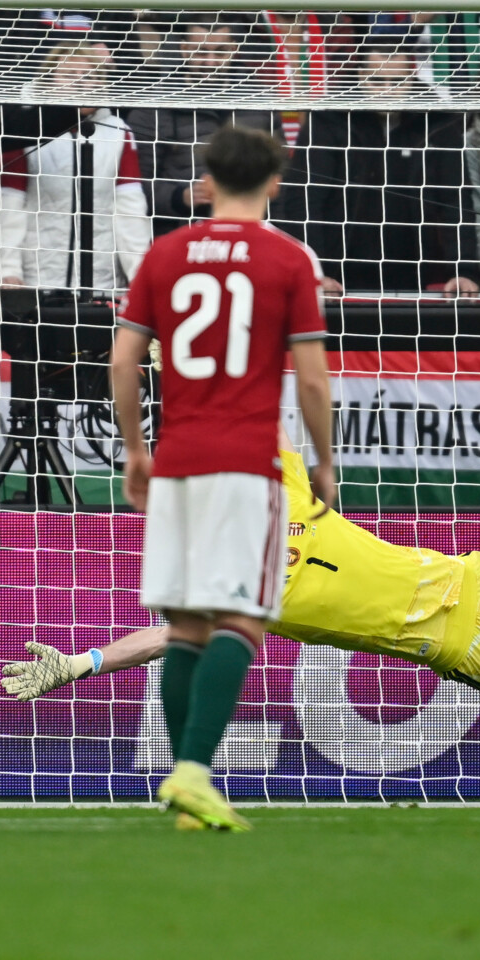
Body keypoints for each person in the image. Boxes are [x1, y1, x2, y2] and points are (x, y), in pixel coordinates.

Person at [1, 437, 480, 742]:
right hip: (450, 639)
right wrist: (79, 663)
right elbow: (167, 637)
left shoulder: (284, 486)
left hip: (465, 577)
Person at [103, 123, 328, 833]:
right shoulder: (288, 258)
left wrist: (137, 448)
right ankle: (195, 771)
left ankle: (185, 789)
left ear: (205, 178)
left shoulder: (165, 253)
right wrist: (324, 461)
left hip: (176, 459)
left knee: (185, 623)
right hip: (244, 462)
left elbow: (123, 359)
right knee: (241, 618)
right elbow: (314, 379)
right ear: (275, 180)